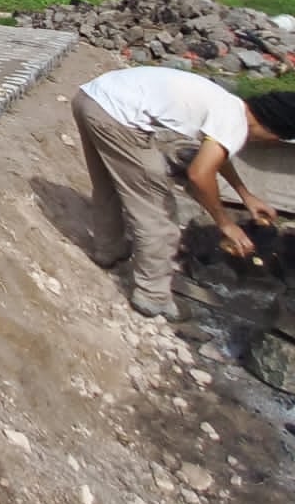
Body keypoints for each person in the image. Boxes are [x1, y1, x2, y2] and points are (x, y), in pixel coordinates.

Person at [72, 66, 295, 321]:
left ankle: (108, 249)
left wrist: (245, 195)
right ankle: (152, 296)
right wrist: (225, 223)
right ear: (274, 132)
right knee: (158, 211)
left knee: (108, 185)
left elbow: (217, 157)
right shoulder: (236, 123)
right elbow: (199, 174)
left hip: (90, 97)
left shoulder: (230, 105)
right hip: (115, 116)